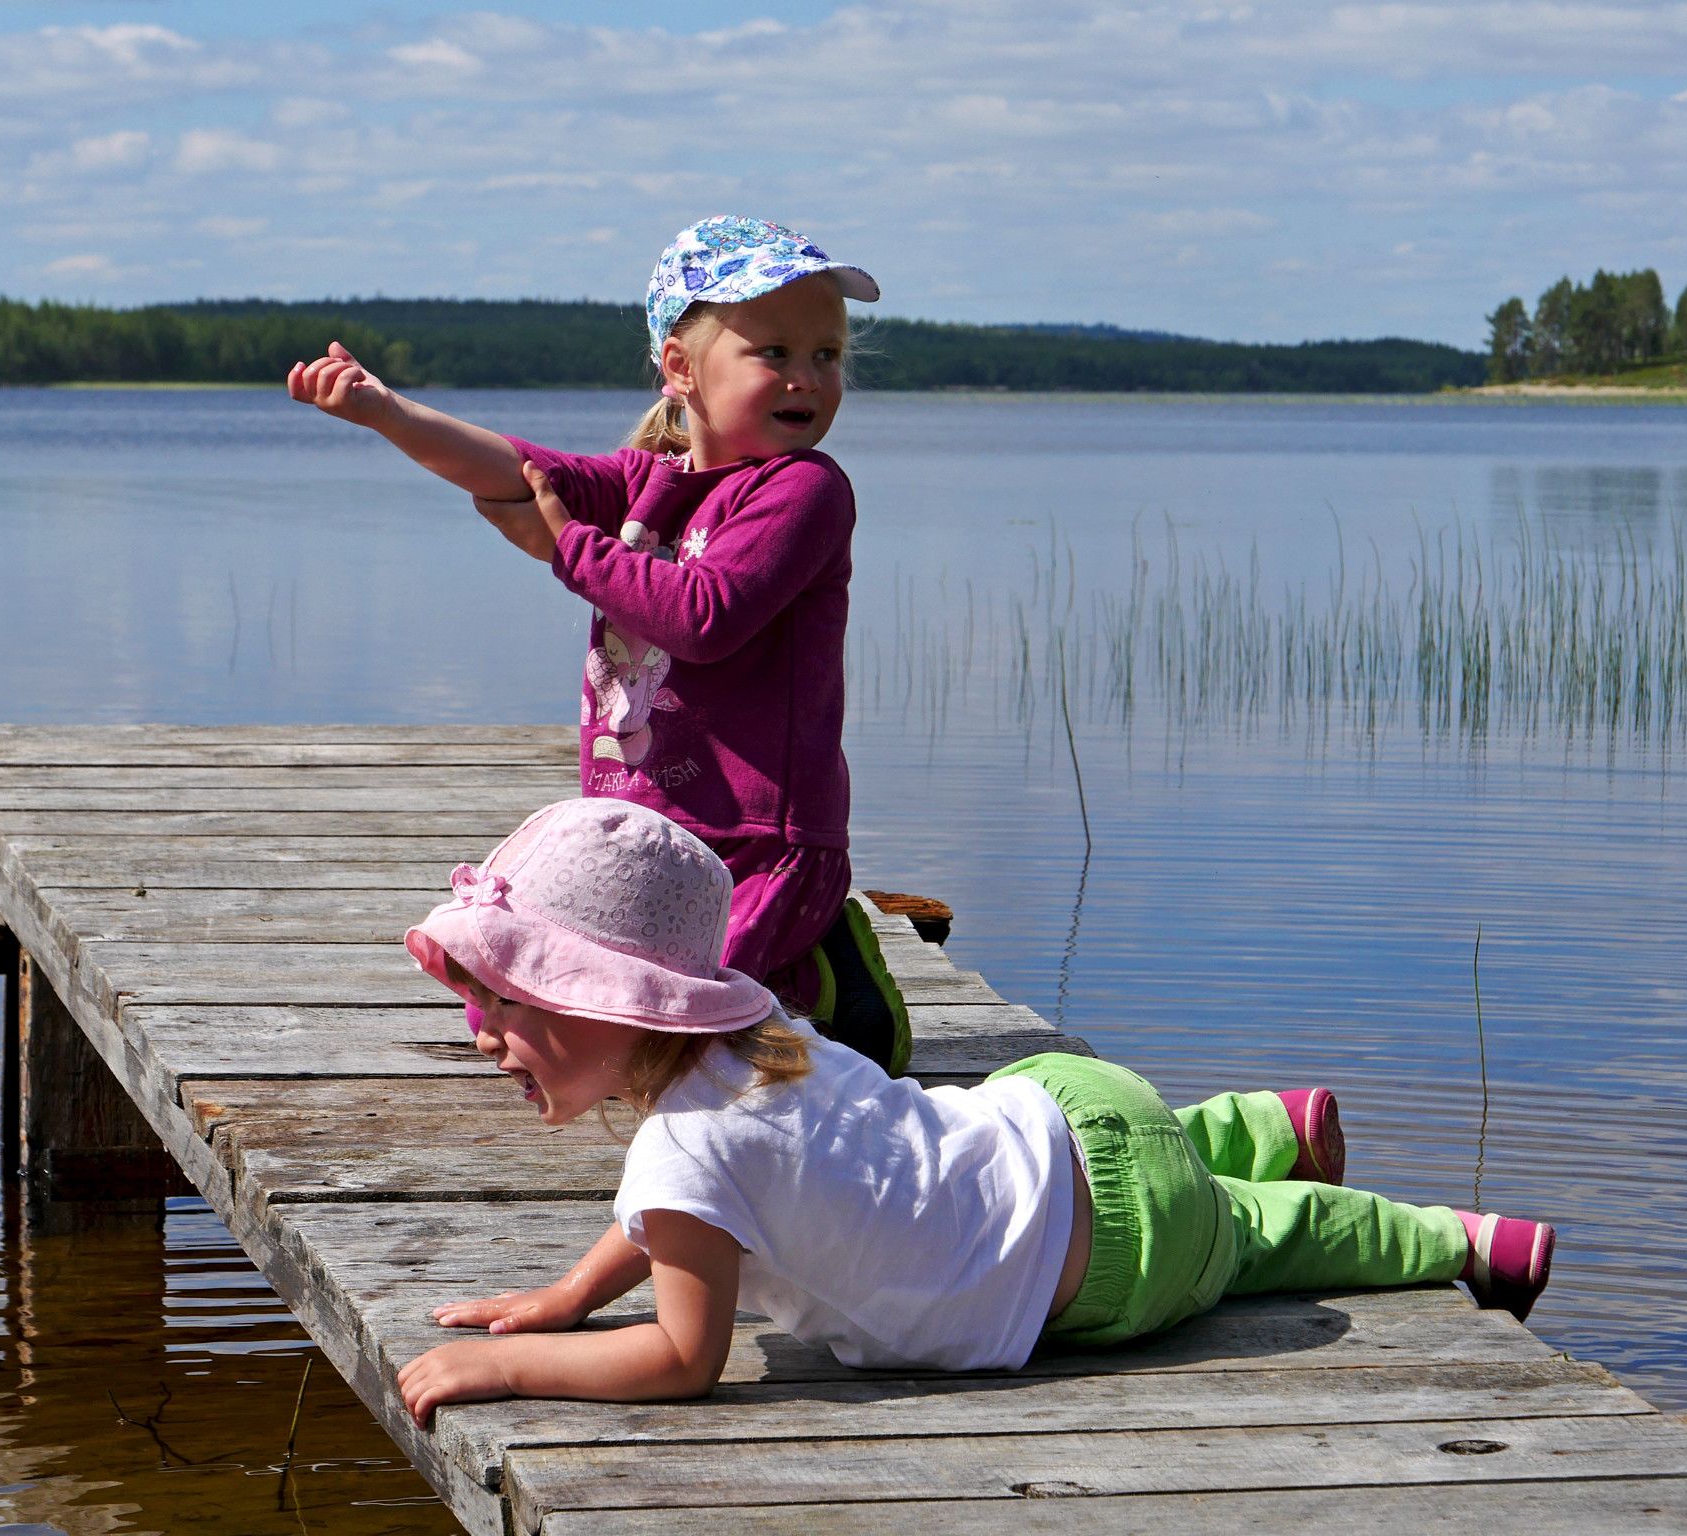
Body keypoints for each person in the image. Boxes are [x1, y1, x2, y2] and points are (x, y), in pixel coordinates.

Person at [392, 798, 1558, 1423]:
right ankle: (1264, 1123)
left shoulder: (681, 1155)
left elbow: (685, 1360)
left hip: (1116, 1261)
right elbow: (675, 1215)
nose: (480, 1034)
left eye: (507, 1002)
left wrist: (510, 1369)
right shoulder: (758, 1043)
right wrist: (568, 1293)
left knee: (1260, 1236)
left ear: (621, 1008)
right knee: (1053, 1146)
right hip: (1055, 1110)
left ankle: (1459, 1240)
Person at [288, 216, 907, 1071]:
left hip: (758, 844)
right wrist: (385, 412)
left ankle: (836, 987)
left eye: (827, 356)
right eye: (775, 353)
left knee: (666, 1050)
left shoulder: (804, 490)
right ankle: (785, 975)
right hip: (637, 829)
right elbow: (512, 470)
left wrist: (570, 550)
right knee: (525, 1003)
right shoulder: (643, 482)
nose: (807, 377)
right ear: (682, 369)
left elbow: (701, 617)